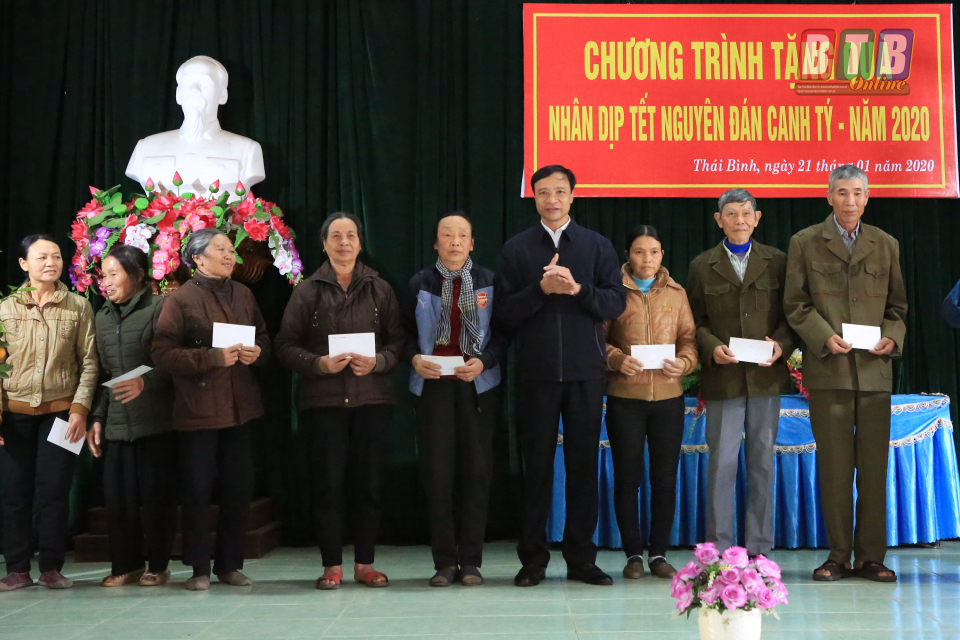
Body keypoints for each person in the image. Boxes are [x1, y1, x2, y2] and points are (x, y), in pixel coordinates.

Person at [495, 165, 626, 587]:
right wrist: (540, 290)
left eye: (560, 191)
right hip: (535, 374)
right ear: (533, 197)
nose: (552, 199)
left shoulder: (596, 245)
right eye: (543, 192)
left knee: (583, 468)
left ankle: (581, 559)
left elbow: (615, 303)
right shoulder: (516, 248)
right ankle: (533, 561)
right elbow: (504, 314)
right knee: (536, 469)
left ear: (573, 196)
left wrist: (576, 289)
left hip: (586, 373)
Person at [784, 165, 907, 583]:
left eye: (857, 193)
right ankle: (837, 556)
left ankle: (872, 557)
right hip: (829, 370)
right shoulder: (804, 242)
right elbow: (796, 304)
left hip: (874, 372)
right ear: (829, 197)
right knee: (835, 469)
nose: (850, 200)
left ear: (867, 198)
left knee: (873, 469)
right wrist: (823, 337)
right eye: (842, 192)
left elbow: (897, 307)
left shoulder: (886, 244)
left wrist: (892, 336)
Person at [276, 212, 404, 590]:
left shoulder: (380, 288)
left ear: (360, 243)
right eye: (336, 236)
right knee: (328, 486)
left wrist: (379, 361)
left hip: (372, 400)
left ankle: (365, 564)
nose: (344, 242)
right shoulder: (307, 290)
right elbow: (285, 345)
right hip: (324, 402)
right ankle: (332, 565)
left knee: (369, 486)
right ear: (324, 244)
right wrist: (318, 364)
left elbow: (398, 341)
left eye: (351, 235)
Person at [151, 228, 271, 591]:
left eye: (231, 249)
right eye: (220, 249)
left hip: (241, 408)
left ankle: (229, 564)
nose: (230, 255)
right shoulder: (180, 300)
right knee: (197, 491)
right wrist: (211, 358)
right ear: (197, 258)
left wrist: (258, 352)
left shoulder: (244, 293)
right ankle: (199, 569)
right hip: (197, 411)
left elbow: (264, 337)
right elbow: (162, 353)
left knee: (239, 488)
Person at [686, 189, 796, 560]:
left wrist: (781, 345)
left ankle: (759, 548)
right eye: (731, 213)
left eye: (747, 213)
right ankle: (718, 549)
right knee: (721, 465)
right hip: (724, 378)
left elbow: (791, 315)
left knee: (762, 462)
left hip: (765, 378)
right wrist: (711, 346)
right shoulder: (702, 265)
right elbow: (694, 321)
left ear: (757, 218)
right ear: (719, 220)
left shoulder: (777, 261)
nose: (740, 220)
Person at [402, 212, 506, 587]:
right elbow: (403, 334)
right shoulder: (419, 282)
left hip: (478, 385)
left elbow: (504, 334)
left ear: (473, 243)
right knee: (437, 473)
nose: (455, 241)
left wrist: (485, 361)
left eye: (463, 235)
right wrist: (414, 358)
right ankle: (444, 562)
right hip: (433, 385)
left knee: (476, 473)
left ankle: (472, 561)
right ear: (436, 243)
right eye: (447, 235)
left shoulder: (490, 281)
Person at [0, 235, 98, 591]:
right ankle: (17, 569)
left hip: (62, 415)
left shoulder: (79, 306)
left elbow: (89, 363)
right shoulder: (5, 308)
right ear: (24, 264)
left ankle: (52, 567)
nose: (51, 263)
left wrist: (80, 410)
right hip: (13, 415)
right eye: (41, 257)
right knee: (14, 494)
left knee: (56, 491)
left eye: (56, 256)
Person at [604, 225, 697, 579]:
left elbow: (688, 338)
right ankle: (633, 555)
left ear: (662, 255)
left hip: (669, 399)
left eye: (654, 252)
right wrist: (615, 359)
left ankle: (658, 554)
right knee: (628, 479)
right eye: (640, 251)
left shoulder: (677, 293)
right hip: (625, 398)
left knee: (664, 480)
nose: (647, 259)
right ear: (628, 254)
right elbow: (597, 338)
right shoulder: (612, 290)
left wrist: (685, 362)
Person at [87, 245, 176, 587]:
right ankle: (127, 564)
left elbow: (175, 360)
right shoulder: (102, 317)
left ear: (137, 275)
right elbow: (102, 374)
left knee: (156, 499)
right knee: (118, 499)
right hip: (117, 423)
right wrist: (97, 417)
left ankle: (158, 565)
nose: (106, 281)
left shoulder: (160, 307)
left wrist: (146, 382)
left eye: (114, 274)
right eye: (103, 275)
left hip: (156, 422)